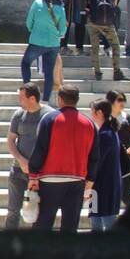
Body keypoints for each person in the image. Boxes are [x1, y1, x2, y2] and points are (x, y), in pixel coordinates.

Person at [27, 85, 99, 233]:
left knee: (43, 223)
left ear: (60, 99)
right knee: (70, 226)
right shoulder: (90, 124)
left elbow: (40, 149)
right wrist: (90, 180)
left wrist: (33, 175)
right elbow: (94, 156)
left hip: (49, 180)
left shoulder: (49, 119)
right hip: (77, 181)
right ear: (77, 100)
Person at [4, 83, 55, 230]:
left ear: (32, 99)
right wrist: (21, 160)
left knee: (39, 212)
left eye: (22, 98)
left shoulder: (49, 115)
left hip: (41, 173)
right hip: (18, 170)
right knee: (13, 210)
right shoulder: (19, 115)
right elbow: (10, 140)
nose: (19, 101)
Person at [22, 0, 68, 103]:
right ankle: (45, 100)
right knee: (49, 72)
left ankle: (27, 90)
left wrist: (34, 31)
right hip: (53, 44)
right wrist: (56, 36)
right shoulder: (61, 9)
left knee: (25, 63)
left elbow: (28, 23)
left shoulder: (37, 4)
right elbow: (63, 29)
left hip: (36, 42)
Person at [86, 0, 127, 82]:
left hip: (93, 21)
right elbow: (114, 3)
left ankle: (97, 73)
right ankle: (117, 71)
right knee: (115, 46)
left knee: (95, 47)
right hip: (108, 22)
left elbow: (86, 3)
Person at [87, 100, 122, 231]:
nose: (91, 114)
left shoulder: (105, 134)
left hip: (104, 187)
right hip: (100, 187)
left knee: (107, 222)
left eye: (92, 111)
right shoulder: (108, 131)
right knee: (96, 221)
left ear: (99, 113)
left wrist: (88, 181)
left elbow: (97, 160)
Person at [106, 90, 130, 208]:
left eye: (123, 100)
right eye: (119, 100)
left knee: (125, 194)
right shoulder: (105, 119)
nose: (122, 103)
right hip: (110, 160)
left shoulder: (129, 118)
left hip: (126, 159)